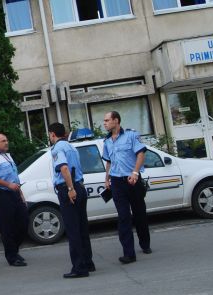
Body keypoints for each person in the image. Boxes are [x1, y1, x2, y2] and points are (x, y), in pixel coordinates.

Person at [102, 111, 151, 264]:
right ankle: (129, 254)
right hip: (117, 182)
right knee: (123, 217)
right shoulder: (107, 141)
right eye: (104, 121)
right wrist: (107, 178)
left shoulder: (131, 135)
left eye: (107, 120)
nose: (104, 123)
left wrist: (135, 172)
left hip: (133, 180)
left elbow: (141, 154)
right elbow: (109, 161)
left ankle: (145, 244)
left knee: (139, 214)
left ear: (116, 120)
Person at [48, 123, 95, 278]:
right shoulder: (71, 147)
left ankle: (80, 268)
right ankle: (88, 262)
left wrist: (69, 189)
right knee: (82, 228)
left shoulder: (58, 149)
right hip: (79, 186)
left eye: (49, 134)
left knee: (73, 230)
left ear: (52, 134)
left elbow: (64, 168)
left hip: (69, 189)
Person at [0, 133, 28, 267]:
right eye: (3, 141)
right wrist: (8, 185)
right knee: (7, 227)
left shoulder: (8, 156)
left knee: (23, 223)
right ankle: (12, 257)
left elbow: (15, 178)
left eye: (7, 140)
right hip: (2, 195)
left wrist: (21, 194)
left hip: (15, 193)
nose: (6, 143)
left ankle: (14, 250)